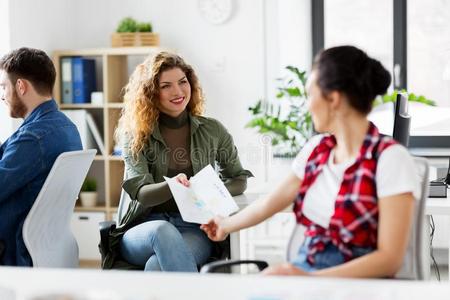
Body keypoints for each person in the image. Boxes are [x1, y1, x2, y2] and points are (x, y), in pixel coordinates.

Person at [201, 45, 419, 278]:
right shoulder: (317, 151)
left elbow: (389, 260)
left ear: (333, 99)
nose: (307, 105)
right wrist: (224, 225)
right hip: (306, 267)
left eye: (309, 95)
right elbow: (269, 203)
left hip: (356, 283)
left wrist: (306, 280)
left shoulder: (390, 159)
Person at [102, 51, 252, 271]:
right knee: (162, 231)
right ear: (151, 93)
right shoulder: (135, 135)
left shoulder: (212, 130)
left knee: (156, 266)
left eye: (183, 82)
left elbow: (239, 178)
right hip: (142, 229)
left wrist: (206, 189)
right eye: (166, 86)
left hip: (192, 229)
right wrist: (174, 185)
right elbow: (141, 193)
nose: (178, 91)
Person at [0, 47, 82, 266]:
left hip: (12, 245)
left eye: (4, 87)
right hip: (45, 243)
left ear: (21, 86)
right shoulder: (68, 128)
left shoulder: (33, 137)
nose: (2, 96)